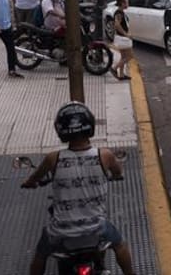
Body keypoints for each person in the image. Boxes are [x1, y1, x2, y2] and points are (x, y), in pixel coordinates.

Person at [22, 102, 136, 275]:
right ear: (90, 126)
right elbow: (118, 172)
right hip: (96, 227)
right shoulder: (104, 155)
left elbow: (33, 179)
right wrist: (115, 175)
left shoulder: (53, 158)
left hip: (61, 231)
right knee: (120, 245)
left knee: (40, 255)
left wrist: (30, 183)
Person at [111, 0, 133, 81]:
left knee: (123, 57)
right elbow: (117, 25)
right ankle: (114, 68)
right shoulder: (119, 13)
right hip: (122, 38)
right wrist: (126, 34)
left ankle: (121, 75)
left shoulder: (121, 12)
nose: (128, 4)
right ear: (122, 3)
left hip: (121, 37)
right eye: (126, 2)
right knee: (129, 56)